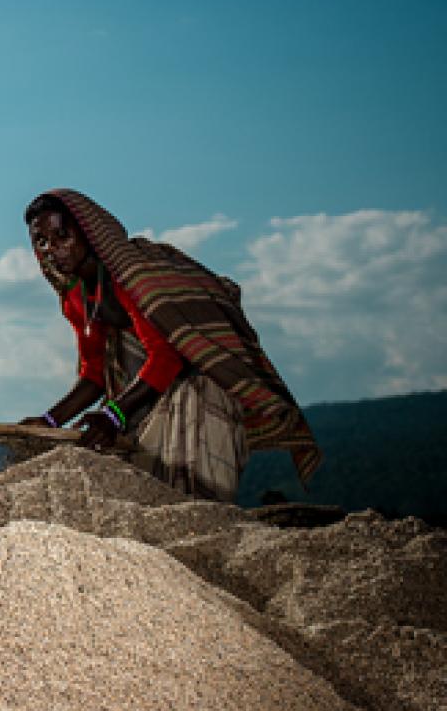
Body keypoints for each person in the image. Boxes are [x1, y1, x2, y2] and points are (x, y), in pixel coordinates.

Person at [20, 189, 319, 500]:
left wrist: (113, 415)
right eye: (42, 242)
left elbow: (168, 356)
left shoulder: (132, 277)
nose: (53, 249)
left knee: (196, 404)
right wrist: (49, 421)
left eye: (62, 235)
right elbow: (94, 373)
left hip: (199, 381)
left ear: (88, 232)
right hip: (150, 394)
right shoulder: (77, 297)